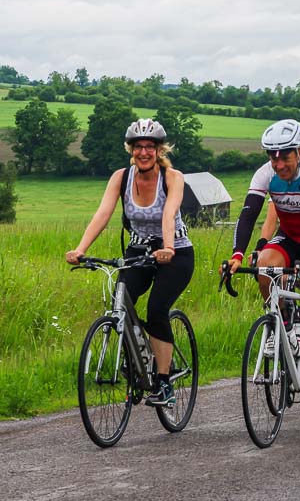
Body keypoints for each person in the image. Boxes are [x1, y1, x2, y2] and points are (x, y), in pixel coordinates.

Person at [66, 119, 194, 407]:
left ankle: (163, 383)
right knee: (120, 301)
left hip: (176, 252)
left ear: (159, 150)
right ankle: (138, 356)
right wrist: (81, 248)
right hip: (139, 251)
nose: (144, 152)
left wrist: (169, 246)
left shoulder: (172, 177)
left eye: (150, 147)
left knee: (157, 308)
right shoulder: (121, 178)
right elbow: (103, 213)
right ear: (131, 149)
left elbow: (168, 213)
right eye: (138, 147)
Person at [226, 119, 300, 420]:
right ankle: (283, 323)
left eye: (285, 156)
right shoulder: (265, 174)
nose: (278, 163)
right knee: (265, 265)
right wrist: (237, 255)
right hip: (290, 237)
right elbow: (248, 214)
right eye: (272, 156)